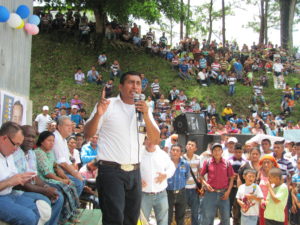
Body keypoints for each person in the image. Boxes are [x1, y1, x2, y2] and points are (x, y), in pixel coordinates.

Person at [84, 71, 160, 225]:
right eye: (131, 82)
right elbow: (87, 134)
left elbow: (155, 140)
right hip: (111, 172)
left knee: (131, 219)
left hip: (134, 172)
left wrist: (145, 115)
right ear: (120, 86)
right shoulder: (108, 105)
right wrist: (98, 115)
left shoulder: (144, 109)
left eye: (138, 83)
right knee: (114, 219)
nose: (135, 86)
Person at [0, 122, 51, 225]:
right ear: (4, 139)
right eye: (16, 144)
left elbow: (14, 177)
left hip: (10, 194)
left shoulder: (8, 154)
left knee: (42, 210)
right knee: (29, 217)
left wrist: (22, 178)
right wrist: (9, 182)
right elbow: (11, 180)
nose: (16, 149)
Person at [13, 125, 64, 225]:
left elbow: (35, 177)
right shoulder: (15, 153)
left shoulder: (31, 153)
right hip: (19, 190)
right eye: (27, 136)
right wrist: (44, 190)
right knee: (46, 200)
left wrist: (46, 187)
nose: (31, 139)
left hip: (32, 186)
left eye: (33, 137)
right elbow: (20, 184)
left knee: (58, 196)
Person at [35, 131, 81, 224]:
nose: (52, 143)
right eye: (49, 140)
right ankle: (62, 217)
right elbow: (47, 173)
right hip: (43, 180)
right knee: (64, 188)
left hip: (53, 178)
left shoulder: (50, 152)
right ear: (42, 141)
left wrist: (65, 178)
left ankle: (70, 214)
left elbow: (56, 167)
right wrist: (62, 180)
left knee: (72, 183)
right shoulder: (38, 152)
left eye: (53, 141)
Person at [140, 138, 175, 225]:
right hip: (144, 195)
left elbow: (172, 167)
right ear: (144, 141)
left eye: (152, 139)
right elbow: (132, 169)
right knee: (142, 221)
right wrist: (137, 180)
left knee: (163, 221)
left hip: (161, 195)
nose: (150, 142)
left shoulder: (162, 154)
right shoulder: (138, 153)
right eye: (147, 139)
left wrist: (165, 175)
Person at [200, 143, 235, 225]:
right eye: (215, 150)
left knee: (226, 217)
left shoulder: (227, 163)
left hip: (224, 193)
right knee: (208, 216)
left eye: (219, 150)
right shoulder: (208, 162)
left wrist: (228, 192)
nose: (217, 152)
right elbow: (201, 176)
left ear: (222, 151)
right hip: (210, 193)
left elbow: (232, 178)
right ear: (212, 152)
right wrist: (206, 184)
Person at [52, 116, 84, 196]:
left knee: (82, 179)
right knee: (78, 183)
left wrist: (76, 172)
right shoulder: (56, 138)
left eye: (71, 126)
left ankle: (73, 205)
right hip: (56, 171)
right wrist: (76, 174)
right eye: (67, 126)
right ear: (59, 127)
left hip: (64, 170)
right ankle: (70, 207)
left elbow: (68, 161)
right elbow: (62, 163)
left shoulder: (63, 139)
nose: (70, 128)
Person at [166, 144, 190, 225]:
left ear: (181, 153)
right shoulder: (166, 163)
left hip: (181, 193)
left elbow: (186, 176)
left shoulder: (185, 163)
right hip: (168, 193)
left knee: (180, 217)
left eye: (177, 150)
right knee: (167, 217)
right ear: (170, 152)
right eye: (173, 150)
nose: (175, 152)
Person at [183, 140, 200, 225]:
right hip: (183, 190)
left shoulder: (198, 158)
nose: (190, 146)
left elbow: (200, 173)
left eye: (192, 145)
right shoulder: (181, 158)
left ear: (195, 148)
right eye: (188, 144)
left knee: (195, 212)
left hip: (194, 190)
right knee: (182, 212)